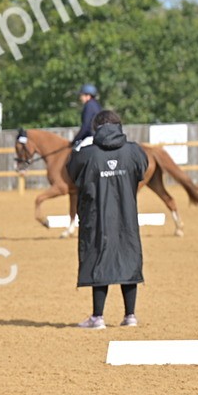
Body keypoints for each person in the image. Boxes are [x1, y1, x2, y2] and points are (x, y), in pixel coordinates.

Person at [65, 109, 148, 329]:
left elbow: (71, 173)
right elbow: (142, 170)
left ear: (96, 129)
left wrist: (78, 150)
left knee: (98, 260)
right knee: (128, 259)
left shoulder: (87, 153)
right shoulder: (134, 151)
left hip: (97, 215)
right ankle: (130, 315)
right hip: (126, 215)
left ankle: (97, 317)